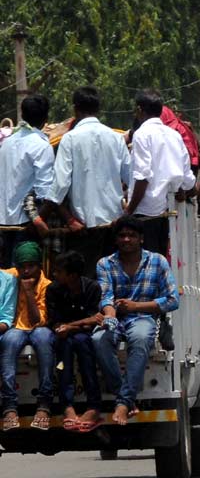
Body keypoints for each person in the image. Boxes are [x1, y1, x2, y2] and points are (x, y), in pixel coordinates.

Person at [93, 216, 179, 425]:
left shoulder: (157, 261)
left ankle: (122, 403)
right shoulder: (105, 264)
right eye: (122, 235)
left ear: (141, 238)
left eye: (131, 235)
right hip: (115, 318)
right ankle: (127, 400)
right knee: (98, 340)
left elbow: (172, 300)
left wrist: (136, 306)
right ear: (116, 239)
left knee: (140, 338)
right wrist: (110, 315)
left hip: (143, 317)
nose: (126, 239)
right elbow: (105, 297)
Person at [47, 87, 131, 277]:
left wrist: (68, 219)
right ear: (98, 109)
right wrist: (125, 213)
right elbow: (131, 178)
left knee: (85, 284)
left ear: (75, 109)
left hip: (82, 228)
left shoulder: (69, 139)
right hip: (114, 224)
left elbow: (59, 186)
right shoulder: (115, 138)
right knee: (113, 281)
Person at [125, 90, 196, 255]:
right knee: (160, 261)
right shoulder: (174, 136)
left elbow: (143, 177)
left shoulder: (142, 134)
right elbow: (188, 179)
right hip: (168, 212)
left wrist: (128, 212)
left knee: (145, 264)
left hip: (145, 212)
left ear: (140, 110)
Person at [46, 251, 103, 432]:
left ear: (72, 275)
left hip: (83, 335)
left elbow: (95, 319)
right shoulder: (54, 290)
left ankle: (93, 405)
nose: (55, 275)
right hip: (64, 336)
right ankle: (67, 406)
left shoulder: (92, 288)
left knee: (83, 346)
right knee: (63, 361)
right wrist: (66, 328)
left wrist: (70, 327)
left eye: (59, 271)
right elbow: (55, 321)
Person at [0, 241, 55, 431]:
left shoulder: (47, 286)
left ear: (39, 266)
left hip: (38, 326)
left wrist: (30, 292)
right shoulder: (12, 275)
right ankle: (9, 407)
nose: (25, 271)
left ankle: (44, 405)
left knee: (44, 340)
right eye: (21, 267)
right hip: (15, 328)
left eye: (30, 266)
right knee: (8, 344)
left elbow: (36, 321)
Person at [0, 95, 54, 266]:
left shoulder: (7, 143)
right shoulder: (41, 145)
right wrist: (40, 221)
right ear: (46, 118)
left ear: (22, 116)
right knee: (26, 277)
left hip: (3, 222)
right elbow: (44, 190)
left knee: (6, 277)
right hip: (27, 224)